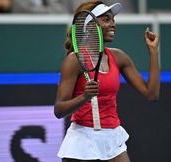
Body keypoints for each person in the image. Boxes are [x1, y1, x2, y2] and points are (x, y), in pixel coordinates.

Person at [54, 0, 160, 162]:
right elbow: (59, 110)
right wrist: (84, 97)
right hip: (83, 139)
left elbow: (151, 94)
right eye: (106, 19)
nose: (113, 24)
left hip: (113, 137)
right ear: (90, 26)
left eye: (113, 20)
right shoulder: (74, 61)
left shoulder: (119, 57)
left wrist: (153, 51)